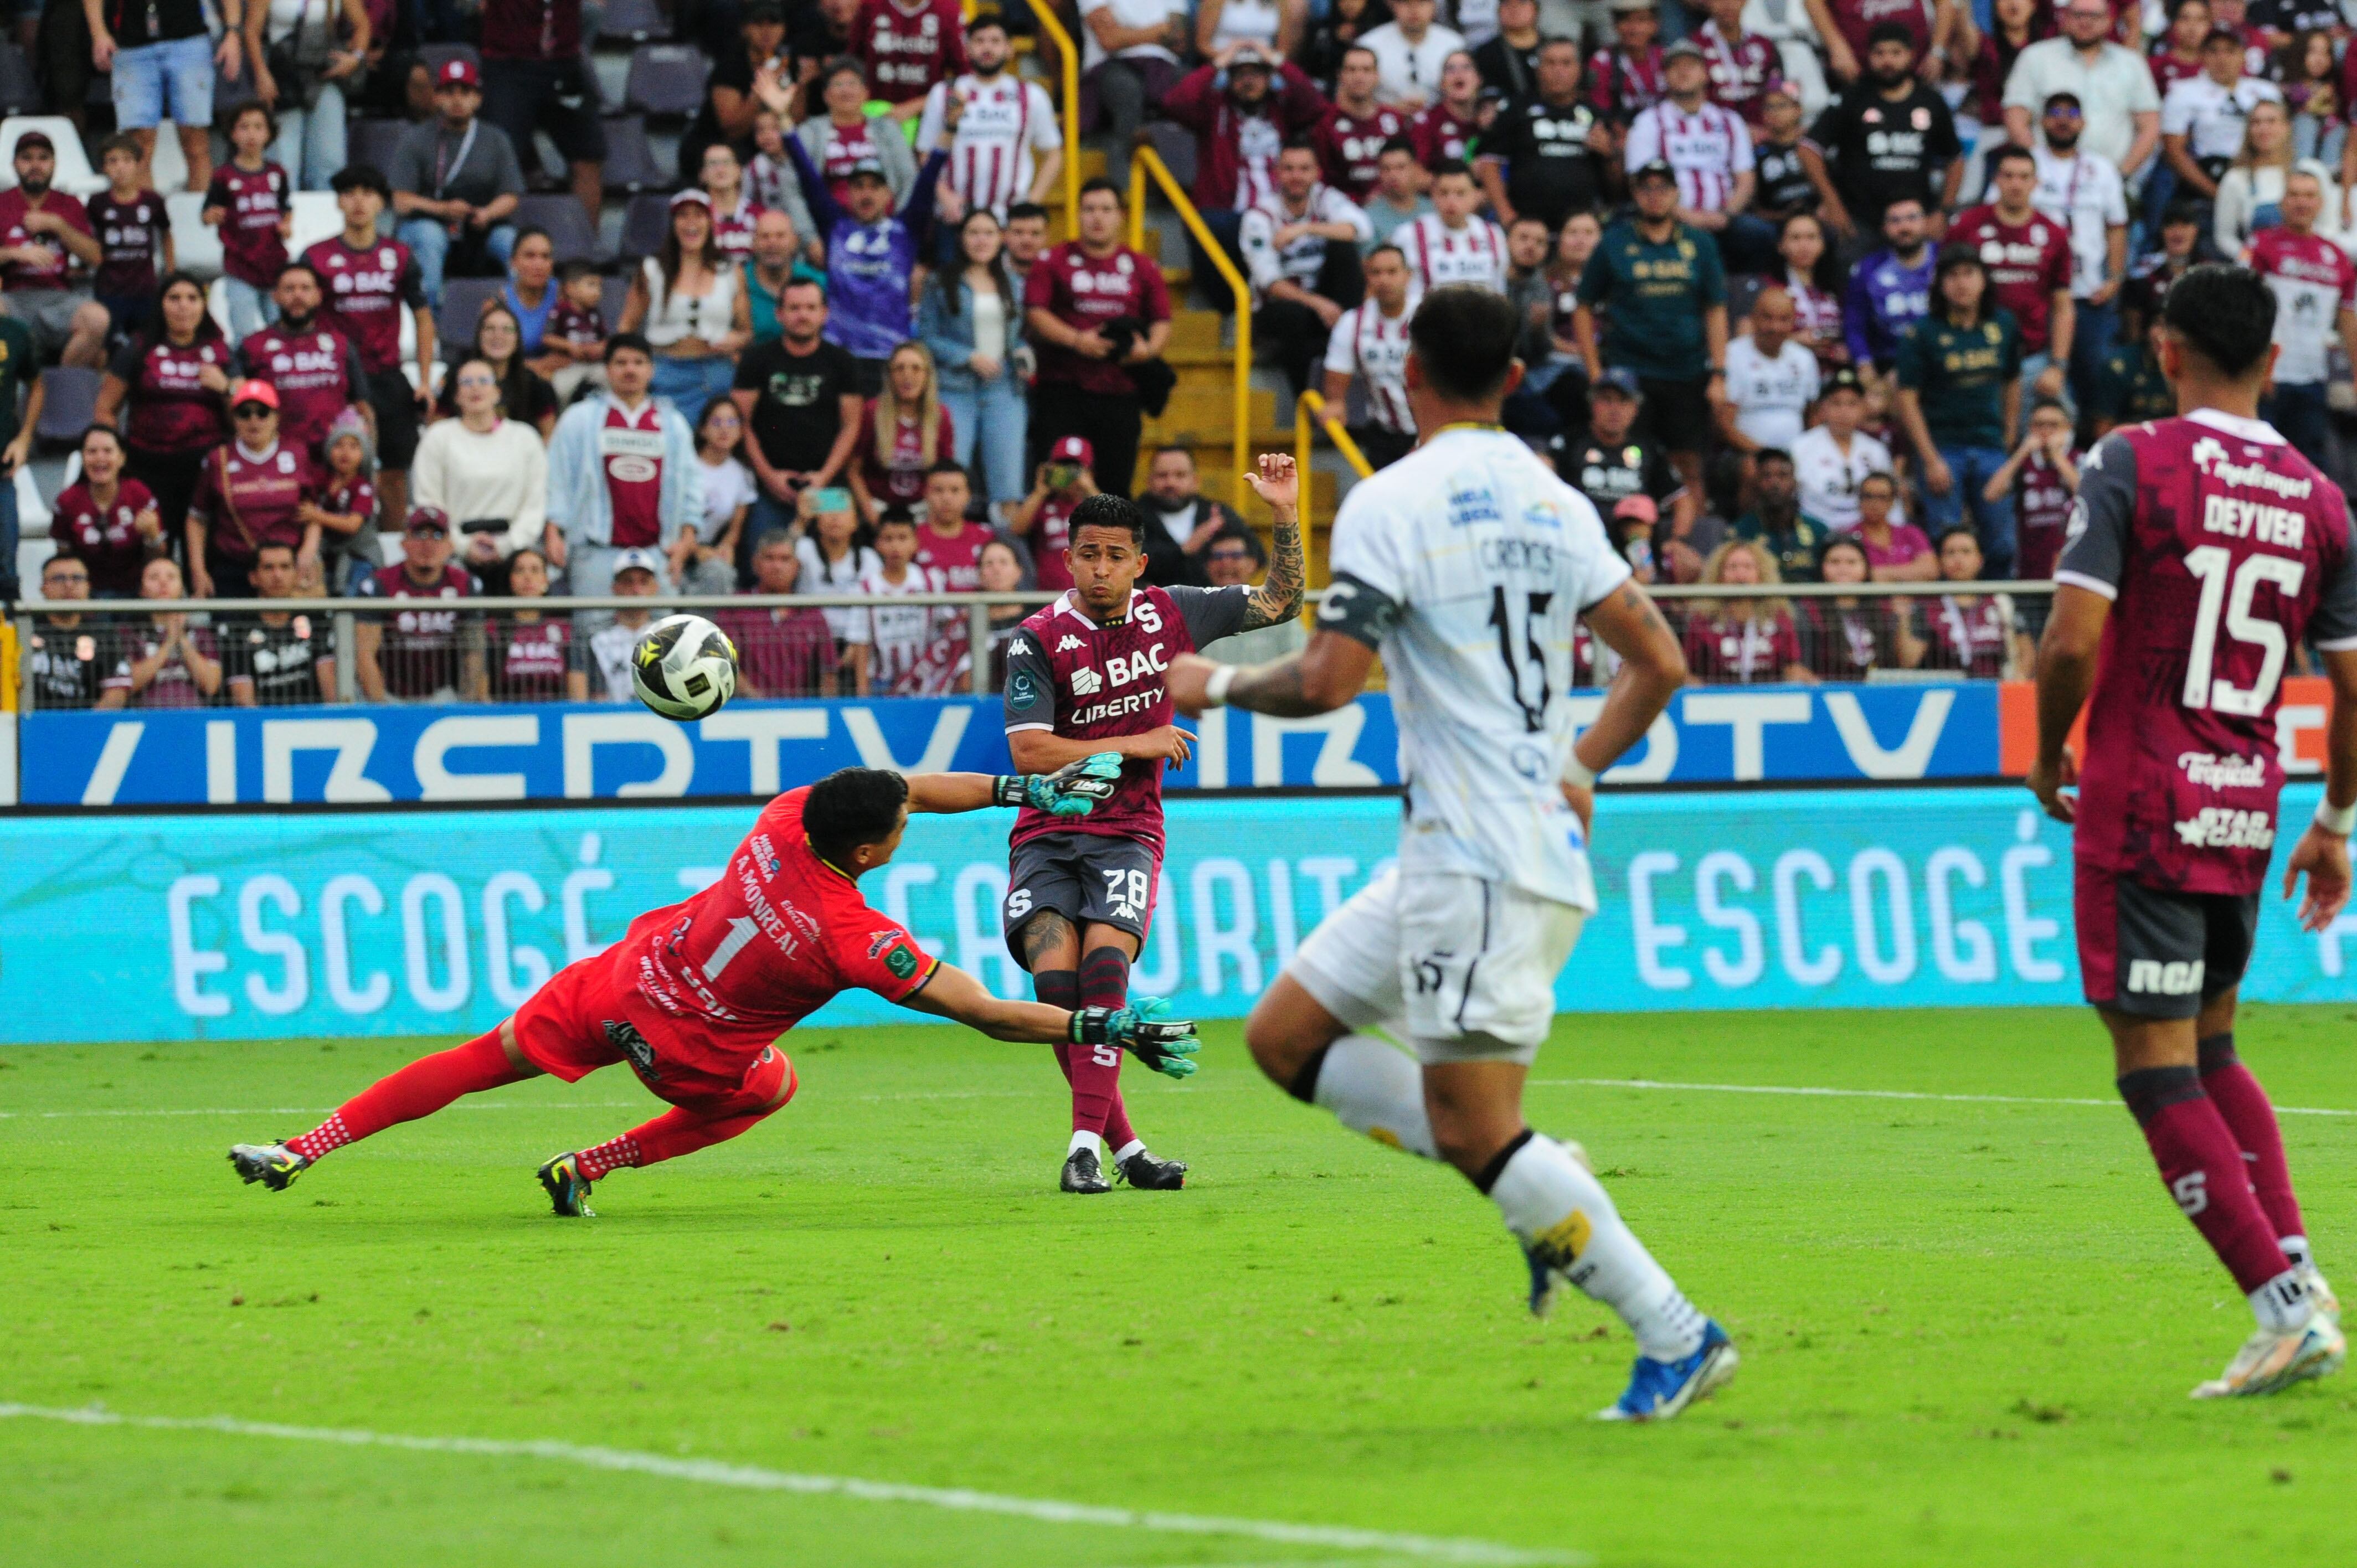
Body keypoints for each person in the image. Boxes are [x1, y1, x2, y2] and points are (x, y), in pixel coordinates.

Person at [1161, 286, 1731, 1422]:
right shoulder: (1557, 500)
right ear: (1515, 380)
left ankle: (1676, 1332)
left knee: (1475, 1123)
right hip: (1468, 847)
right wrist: (1576, 769)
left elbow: (1327, 680)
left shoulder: (1391, 500)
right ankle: (1538, 1176)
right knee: (1284, 1037)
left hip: (1482, 860)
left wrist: (1212, 681)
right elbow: (1660, 660)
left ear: (1403, 374)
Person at [231, 762, 1195, 1214]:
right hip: (691, 1056)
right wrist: (1101, 1020)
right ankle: (591, 1165)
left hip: (625, 980)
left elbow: (901, 786)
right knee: (773, 1085)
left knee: (482, 1060)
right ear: (867, 851)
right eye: (896, 831)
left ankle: (303, 1146)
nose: (908, 827)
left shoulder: (784, 817)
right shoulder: (859, 937)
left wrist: (1021, 791)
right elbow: (986, 1012)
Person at [2026, 261, 2354, 1397]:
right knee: (2213, 1046)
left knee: (2152, 1065)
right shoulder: (2321, 498)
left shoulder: (2131, 461)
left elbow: (2070, 642)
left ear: (2165, 352)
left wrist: (2041, 748)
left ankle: (2279, 1308)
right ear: (2274, 360)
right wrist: (2333, 823)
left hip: (2143, 803)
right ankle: (2299, 1280)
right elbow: (2352, 687)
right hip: (2243, 806)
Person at [1001, 463, 1302, 1192]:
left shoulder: (1174, 611)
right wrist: (1132, 744)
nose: (1100, 569)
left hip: (1127, 832)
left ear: (1139, 562)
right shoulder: (1036, 639)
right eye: (1087, 554)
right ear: (1068, 557)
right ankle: (1130, 1153)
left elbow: (1282, 600)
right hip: (1046, 834)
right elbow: (1030, 751)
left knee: (1105, 972)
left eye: (1115, 556)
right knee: (1057, 994)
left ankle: (1084, 1149)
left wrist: (1286, 512)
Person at [1574, 161, 1728, 515]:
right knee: (1630, 460)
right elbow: (1583, 307)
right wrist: (1596, 370)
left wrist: (1719, 373)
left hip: (1686, 370)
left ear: (1676, 194)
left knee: (1689, 462)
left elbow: (1716, 308)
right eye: (1647, 188)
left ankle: (1693, 549)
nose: (1655, 196)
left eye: (1663, 188)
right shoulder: (1614, 243)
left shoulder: (1700, 244)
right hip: (1630, 373)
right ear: (1635, 194)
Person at [306, 164, 435, 533]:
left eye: (368, 193)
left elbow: (424, 317)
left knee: (394, 475)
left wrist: (424, 380)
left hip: (388, 377)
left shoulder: (399, 255)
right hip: (336, 381)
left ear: (382, 203)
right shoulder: (316, 257)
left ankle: (393, 549)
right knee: (332, 471)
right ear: (339, 202)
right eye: (350, 193)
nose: (359, 201)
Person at [1025, 178, 1173, 498]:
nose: (1098, 217)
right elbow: (1036, 313)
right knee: (1058, 483)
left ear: (1120, 215)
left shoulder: (1142, 266)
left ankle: (1111, 548)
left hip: (1120, 393)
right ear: (1077, 214)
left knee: (1114, 487)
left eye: (1106, 209)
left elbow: (1162, 320)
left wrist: (1146, 352)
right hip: (1063, 390)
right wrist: (1079, 341)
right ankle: (1058, 546)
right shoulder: (1053, 261)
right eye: (1089, 209)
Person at [783, 132, 951, 393]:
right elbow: (808, 178)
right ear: (848, 194)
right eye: (859, 186)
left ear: (888, 194)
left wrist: (949, 130)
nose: (866, 194)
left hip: (890, 358)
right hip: (838, 357)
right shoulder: (835, 227)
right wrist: (785, 124)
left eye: (875, 187)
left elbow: (928, 181)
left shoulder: (905, 231)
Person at [1896, 247, 2022, 576]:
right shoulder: (1922, 333)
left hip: (1991, 447)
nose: (1961, 283)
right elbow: (1906, 398)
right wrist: (1929, 457)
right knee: (1947, 545)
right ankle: (1948, 621)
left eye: (1969, 274)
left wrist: (2008, 439)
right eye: (1952, 275)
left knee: (2003, 544)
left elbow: (2012, 382)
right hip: (1942, 449)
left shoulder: (2004, 324)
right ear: (1939, 284)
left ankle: (1997, 614)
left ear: (1984, 280)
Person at [549, 335, 698, 609]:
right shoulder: (579, 419)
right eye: (621, 363)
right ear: (607, 369)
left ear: (651, 369)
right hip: (596, 550)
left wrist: (686, 541)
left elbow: (692, 486)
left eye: (639, 362)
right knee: (593, 636)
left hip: (658, 551)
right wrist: (553, 530)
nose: (630, 370)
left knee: (664, 642)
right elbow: (557, 478)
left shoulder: (673, 424)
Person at [95, 271, 233, 560]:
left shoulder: (222, 352)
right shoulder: (138, 348)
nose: (184, 305)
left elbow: (249, 419)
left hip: (205, 473)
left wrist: (226, 388)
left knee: (207, 560)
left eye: (192, 298)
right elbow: (105, 410)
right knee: (153, 554)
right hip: (147, 470)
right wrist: (116, 457)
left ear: (203, 306)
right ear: (160, 304)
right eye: (174, 298)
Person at [1164, 40, 1332, 264]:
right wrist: (1219, 62)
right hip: (1232, 217)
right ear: (1229, 79)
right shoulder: (1214, 111)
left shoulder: (1282, 108)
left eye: (1257, 74)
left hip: (1281, 216)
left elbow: (1316, 105)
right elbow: (1174, 103)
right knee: (1207, 223)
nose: (1248, 81)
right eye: (1240, 75)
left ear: (1269, 78)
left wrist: (1277, 60)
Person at [734, 278, 866, 549]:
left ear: (824, 313)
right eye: (794, 308)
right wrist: (770, 478)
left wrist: (823, 478)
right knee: (765, 562)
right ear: (779, 314)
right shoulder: (756, 360)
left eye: (810, 308)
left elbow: (851, 426)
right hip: (769, 488)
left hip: (828, 486)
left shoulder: (843, 362)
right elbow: (741, 422)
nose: (802, 315)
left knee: (836, 567)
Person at [1800, 22, 1960, 244]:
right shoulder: (1852, 99)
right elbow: (1809, 149)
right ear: (1869, 56)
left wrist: (1943, 210)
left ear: (1912, 55)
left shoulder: (1930, 101)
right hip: (1859, 221)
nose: (1888, 61)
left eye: (1896, 53)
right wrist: (1832, 204)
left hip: (1915, 222)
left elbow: (1955, 158)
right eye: (1879, 53)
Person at [1242, 142, 1373, 402]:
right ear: (1277, 174)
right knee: (1293, 315)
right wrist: (1319, 304)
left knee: (1344, 251)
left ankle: (1351, 348)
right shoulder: (1260, 216)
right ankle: (1307, 401)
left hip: (1325, 300)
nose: (1297, 176)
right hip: (1280, 308)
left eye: (1304, 169)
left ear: (1317, 173)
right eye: (1289, 169)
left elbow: (1361, 229)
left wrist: (1305, 229)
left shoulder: (1325, 198)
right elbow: (1270, 282)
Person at [390, 59, 526, 311]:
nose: (457, 100)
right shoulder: (416, 138)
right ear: (437, 97)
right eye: (449, 92)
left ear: (478, 99)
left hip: (482, 226)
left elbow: (511, 196)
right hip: (429, 224)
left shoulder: (496, 139)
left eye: (465, 92)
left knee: (514, 242)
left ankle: (524, 318)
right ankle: (427, 321)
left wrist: (488, 213)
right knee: (429, 238)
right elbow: (400, 200)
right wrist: (442, 210)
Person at [2243, 169, 2357, 467]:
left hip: (2313, 379)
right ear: (2282, 202)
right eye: (2294, 195)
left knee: (2307, 468)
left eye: (2309, 196)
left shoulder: (2338, 258)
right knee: (2258, 465)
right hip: (2267, 378)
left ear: (2321, 203)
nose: (2301, 203)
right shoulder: (2260, 246)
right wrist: (2257, 365)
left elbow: (2348, 319)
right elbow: (2241, 310)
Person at [412, 354, 551, 594]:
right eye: (466, 382)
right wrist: (462, 545)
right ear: (456, 395)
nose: (475, 387)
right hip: (453, 551)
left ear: (498, 392)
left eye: (483, 380)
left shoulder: (526, 438)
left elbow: (535, 504)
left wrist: (507, 545)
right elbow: (428, 501)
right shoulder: (438, 437)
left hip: (514, 552)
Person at [919, 208, 1030, 509]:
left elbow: (1015, 337)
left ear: (1001, 239)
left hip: (1004, 389)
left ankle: (1004, 550)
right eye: (974, 232)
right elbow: (926, 336)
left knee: (1008, 482)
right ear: (961, 239)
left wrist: (1023, 353)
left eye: (989, 233)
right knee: (950, 478)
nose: (982, 240)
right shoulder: (940, 281)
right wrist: (968, 357)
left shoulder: (1014, 282)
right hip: (955, 389)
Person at [1626, 39, 1770, 270]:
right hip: (1670, 218)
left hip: (1725, 219)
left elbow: (1745, 178)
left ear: (1705, 74)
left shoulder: (1730, 121)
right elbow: (1639, 180)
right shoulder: (1649, 122)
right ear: (1665, 76)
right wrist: (1687, 216)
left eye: (1691, 65)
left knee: (1761, 235)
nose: (1683, 71)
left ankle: (1749, 294)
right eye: (1674, 66)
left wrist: (1727, 214)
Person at [1948, 146, 2075, 407]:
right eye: (2008, 176)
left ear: (2036, 182)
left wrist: (2058, 367)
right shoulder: (1966, 226)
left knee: (2061, 421)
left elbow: (2063, 306)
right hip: (1972, 354)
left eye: (2024, 177)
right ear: (1996, 179)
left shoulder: (2055, 234)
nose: (2016, 184)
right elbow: (1942, 289)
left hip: (2032, 357)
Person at [2030, 91, 2133, 411]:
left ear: (2083, 122)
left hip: (2088, 292)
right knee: (2038, 377)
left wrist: (2115, 277)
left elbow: (2117, 225)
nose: (2063, 120)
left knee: (2093, 375)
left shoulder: (2101, 169)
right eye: (2056, 113)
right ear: (2043, 121)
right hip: (2038, 293)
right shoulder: (2026, 163)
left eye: (2071, 113)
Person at [619, 191, 750, 433]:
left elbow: (745, 331)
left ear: (711, 222)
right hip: (665, 371)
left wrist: (735, 339)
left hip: (715, 373)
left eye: (699, 216)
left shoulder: (730, 272)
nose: (691, 223)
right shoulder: (653, 270)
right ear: (673, 224)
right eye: (683, 216)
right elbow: (626, 326)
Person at [184, 379, 326, 601]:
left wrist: (308, 552)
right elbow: (197, 518)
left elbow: (313, 513)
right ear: (234, 418)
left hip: (288, 567)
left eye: (262, 413)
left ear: (276, 417)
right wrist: (198, 569)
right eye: (244, 413)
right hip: (236, 566)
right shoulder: (218, 459)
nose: (254, 420)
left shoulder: (297, 454)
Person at [917, 14, 1064, 223]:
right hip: (953, 217)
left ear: (1010, 49)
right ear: (966, 49)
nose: (987, 48)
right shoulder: (944, 93)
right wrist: (945, 197)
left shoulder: (1031, 95)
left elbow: (1053, 154)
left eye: (995, 41)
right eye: (979, 41)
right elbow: (925, 153)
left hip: (1010, 221)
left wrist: (1030, 203)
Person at [478, 0, 606, 229]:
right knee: (500, 161)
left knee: (589, 156)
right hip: (508, 63)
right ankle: (501, 249)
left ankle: (586, 252)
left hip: (564, 62)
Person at [87, 0, 235, 193]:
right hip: (132, 44)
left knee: (196, 140)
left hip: (189, 39)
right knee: (138, 145)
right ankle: (146, 217)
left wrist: (233, 32)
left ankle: (202, 218)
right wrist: (98, 32)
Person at [2001, 0, 2162, 174]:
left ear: (2109, 21)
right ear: (2065, 18)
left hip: (2111, 181)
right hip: (2044, 182)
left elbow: (2150, 126)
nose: (2086, 22)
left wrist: (2121, 174)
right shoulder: (2035, 58)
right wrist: (2040, 170)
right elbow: (2016, 118)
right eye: (2078, 15)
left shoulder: (2131, 63)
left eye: (2094, 16)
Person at [238, 261, 370, 460]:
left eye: (305, 288)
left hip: (332, 460)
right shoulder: (253, 346)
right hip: (276, 462)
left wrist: (368, 462)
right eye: (289, 289)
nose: (298, 295)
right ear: (275, 296)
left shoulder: (341, 345)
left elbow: (363, 407)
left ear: (318, 296)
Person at [0, 132, 109, 368]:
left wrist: (58, 225)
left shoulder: (69, 204)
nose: (35, 165)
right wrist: (14, 253)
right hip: (12, 297)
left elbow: (97, 257)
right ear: (14, 164)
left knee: (97, 318)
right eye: (27, 158)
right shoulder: (3, 203)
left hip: (59, 298)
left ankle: (56, 389)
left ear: (54, 164)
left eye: (43, 158)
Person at [354, 507, 485, 701]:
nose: (428, 544)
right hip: (389, 694)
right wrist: (382, 709)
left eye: (438, 536)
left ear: (450, 545)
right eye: (419, 535)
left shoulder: (466, 584)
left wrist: (468, 705)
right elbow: (365, 655)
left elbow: (474, 652)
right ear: (404, 543)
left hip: (445, 694)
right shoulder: (378, 584)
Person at [1476, 38, 1604, 233]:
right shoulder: (1516, 110)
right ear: (1538, 68)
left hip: (1580, 228)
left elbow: (1615, 181)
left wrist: (1611, 153)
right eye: (1550, 63)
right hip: (1528, 225)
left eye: (1566, 63)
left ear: (1579, 69)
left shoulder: (1595, 115)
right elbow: (1489, 164)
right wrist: (1507, 216)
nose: (1558, 71)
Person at [244, 0, 369, 191]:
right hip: (285, 77)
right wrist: (262, 74)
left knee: (330, 158)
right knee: (284, 157)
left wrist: (356, 58)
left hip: (323, 75)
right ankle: (282, 213)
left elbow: (362, 23)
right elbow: (252, 31)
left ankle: (327, 214)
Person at [2162, 24, 2281, 213]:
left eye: (2230, 51)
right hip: (2210, 175)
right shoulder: (2183, 92)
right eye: (2214, 51)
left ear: (2243, 55)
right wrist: (2218, 193)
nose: (2222, 59)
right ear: (2203, 56)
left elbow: (2283, 141)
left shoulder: (2267, 91)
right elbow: (2174, 151)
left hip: (2260, 173)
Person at [1324, 243, 1421, 469]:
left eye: (1392, 272)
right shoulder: (1352, 322)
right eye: (1376, 273)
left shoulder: (1429, 316)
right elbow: (1336, 382)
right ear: (1367, 277)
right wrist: (1336, 402)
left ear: (1408, 276)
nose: (1384, 280)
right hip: (1384, 434)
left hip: (1432, 432)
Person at [202, 102, 293, 341]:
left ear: (269, 133)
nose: (251, 134)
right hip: (240, 265)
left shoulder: (278, 173)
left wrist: (286, 225)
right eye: (244, 127)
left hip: (275, 265)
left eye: (258, 127)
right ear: (232, 133)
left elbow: (285, 207)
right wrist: (211, 216)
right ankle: (244, 373)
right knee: (244, 331)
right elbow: (208, 212)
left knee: (282, 327)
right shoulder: (223, 175)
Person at [1075, 0, 1188, 192]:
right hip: (1108, 65)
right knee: (1126, 91)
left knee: (1195, 90)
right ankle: (1124, 191)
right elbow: (1110, 40)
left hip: (1164, 65)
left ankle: (1184, 185)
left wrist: (1128, 33)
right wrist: (1159, 31)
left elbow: (1179, 40)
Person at [683, 1, 797, 189]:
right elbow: (731, 128)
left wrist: (802, 84)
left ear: (784, 29)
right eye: (759, 24)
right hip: (715, 144)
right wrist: (760, 92)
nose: (767, 31)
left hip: (761, 142)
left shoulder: (786, 63)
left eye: (774, 23)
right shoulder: (730, 67)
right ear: (745, 29)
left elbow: (796, 118)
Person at [791, 59, 919, 218]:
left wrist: (898, 225)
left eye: (852, 84)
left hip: (884, 225)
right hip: (827, 227)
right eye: (838, 85)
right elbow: (793, 187)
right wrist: (811, 238)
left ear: (866, 93)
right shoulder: (809, 132)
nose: (846, 91)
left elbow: (908, 179)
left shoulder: (887, 129)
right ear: (826, 96)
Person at [2212, 97, 2338, 257]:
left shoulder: (2312, 170)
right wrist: (2252, 260)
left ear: (2287, 127)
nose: (2264, 129)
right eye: (2256, 123)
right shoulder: (2236, 178)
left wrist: (2309, 257)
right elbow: (2224, 237)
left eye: (2271, 121)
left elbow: (2329, 226)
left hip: (2310, 265)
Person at [49, 423, 163, 599]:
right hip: (87, 596)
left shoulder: (140, 495)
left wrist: (152, 536)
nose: (99, 458)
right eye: (92, 452)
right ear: (83, 457)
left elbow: (159, 559)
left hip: (136, 593)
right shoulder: (67, 502)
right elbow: (63, 559)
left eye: (108, 451)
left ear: (122, 458)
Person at [721, 529, 838, 697]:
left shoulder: (812, 613)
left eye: (785, 559)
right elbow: (725, 662)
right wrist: (759, 703)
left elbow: (828, 671)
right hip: (745, 711)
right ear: (755, 564)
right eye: (769, 558)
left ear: (797, 566)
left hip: (802, 713)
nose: (777, 566)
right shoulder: (735, 607)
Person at [1681, 537, 1812, 683]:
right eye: (1732, 567)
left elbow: (1792, 665)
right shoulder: (1702, 619)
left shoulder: (1779, 616)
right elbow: (1688, 671)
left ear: (1761, 575)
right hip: (1718, 698)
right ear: (1719, 576)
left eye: (1748, 567)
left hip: (1769, 697)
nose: (1740, 575)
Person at [224, 540, 337, 705]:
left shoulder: (316, 618)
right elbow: (244, 702)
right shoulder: (238, 628)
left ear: (296, 574)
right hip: (265, 723)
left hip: (313, 721)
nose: (278, 575)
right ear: (253, 578)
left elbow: (331, 689)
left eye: (285, 567)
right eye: (269, 568)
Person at [850, 342, 954, 522]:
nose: (907, 375)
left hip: (923, 511)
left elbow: (945, 476)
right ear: (889, 376)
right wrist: (873, 517)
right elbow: (854, 471)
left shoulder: (940, 415)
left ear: (927, 375)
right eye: (899, 369)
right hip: (877, 507)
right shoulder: (872, 411)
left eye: (916, 369)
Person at [1841, 195, 1934, 384]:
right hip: (1888, 360)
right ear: (1884, 228)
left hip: (1941, 357)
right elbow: (1854, 323)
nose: (1904, 227)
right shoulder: (1869, 269)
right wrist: (1864, 364)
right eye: (1895, 221)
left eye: (1912, 218)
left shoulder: (1947, 261)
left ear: (1926, 222)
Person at [1136, 443, 1259, 587]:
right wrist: (1184, 550)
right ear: (1149, 481)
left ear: (1196, 481)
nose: (1171, 482)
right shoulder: (1132, 518)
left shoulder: (1218, 514)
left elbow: (1257, 556)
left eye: (1180, 475)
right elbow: (1128, 562)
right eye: (1162, 476)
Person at [1982, 396, 2078, 579]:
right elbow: (1990, 494)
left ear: (2067, 428)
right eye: (2039, 425)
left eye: (2053, 425)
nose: (2045, 431)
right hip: (2029, 567)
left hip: (2068, 568)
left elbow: (2084, 494)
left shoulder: (2078, 458)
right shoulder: (2024, 464)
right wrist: (2021, 452)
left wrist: (2057, 455)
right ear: (2030, 429)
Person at [431, 302, 560, 438]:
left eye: (507, 329)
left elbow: (549, 437)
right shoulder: (457, 378)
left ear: (518, 339)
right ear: (479, 336)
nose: (498, 336)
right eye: (490, 329)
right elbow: (436, 429)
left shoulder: (535, 384)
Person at [1717, 287, 1820, 456]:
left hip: (1797, 456)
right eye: (1767, 318)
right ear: (1753, 318)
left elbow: (1813, 418)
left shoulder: (1805, 359)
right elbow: (1723, 426)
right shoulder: (1732, 355)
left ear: (1793, 321)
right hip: (1746, 454)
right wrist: (1767, 457)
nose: (1775, 327)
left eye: (1783, 319)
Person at [1915, 526, 2029, 677]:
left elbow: (2026, 650)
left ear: (1980, 560)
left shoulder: (2000, 602)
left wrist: (2016, 683)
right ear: (1940, 561)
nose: (1958, 559)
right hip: (1947, 692)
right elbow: (1910, 660)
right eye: (1951, 553)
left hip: (1995, 690)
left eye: (1966, 552)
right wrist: (1904, 615)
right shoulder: (1929, 606)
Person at [87, 135, 169, 345]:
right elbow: (88, 238)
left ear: (139, 165)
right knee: (110, 345)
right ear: (104, 167)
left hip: (145, 288)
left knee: (147, 344)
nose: (120, 167)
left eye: (127, 160)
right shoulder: (97, 203)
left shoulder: (153, 201)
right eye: (112, 161)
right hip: (110, 288)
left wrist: (170, 272)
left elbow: (167, 233)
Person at [1788, 364, 1891, 529]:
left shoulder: (1876, 450)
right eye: (1836, 403)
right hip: (1816, 529)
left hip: (1866, 532)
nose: (1844, 411)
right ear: (1823, 409)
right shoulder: (1800, 447)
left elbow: (1891, 500)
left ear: (1864, 409)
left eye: (1852, 404)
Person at [796, 488, 883, 683]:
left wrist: (857, 644)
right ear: (818, 520)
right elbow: (782, 558)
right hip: (812, 642)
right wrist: (801, 521)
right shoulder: (805, 549)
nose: (835, 516)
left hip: (857, 642)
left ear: (855, 521)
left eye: (843, 511)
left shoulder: (869, 559)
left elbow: (875, 609)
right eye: (828, 510)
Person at [114, 554, 221, 706]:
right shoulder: (129, 633)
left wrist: (182, 639)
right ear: (142, 590)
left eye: (171, 577)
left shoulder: (200, 633)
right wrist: (170, 642)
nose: (163, 582)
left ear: (181, 587)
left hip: (194, 717)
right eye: (154, 577)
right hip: (147, 717)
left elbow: (211, 685)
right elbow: (130, 683)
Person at [23, 553, 125, 708]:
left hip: (86, 726)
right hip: (30, 726)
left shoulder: (104, 634)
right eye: (59, 578)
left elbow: (116, 691)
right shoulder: (24, 630)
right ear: (43, 587)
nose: (69, 585)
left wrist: (83, 727)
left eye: (77, 578)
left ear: (88, 587)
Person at [1800, 532, 1902, 678]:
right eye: (1835, 562)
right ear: (1822, 566)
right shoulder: (1809, 609)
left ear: (1866, 568)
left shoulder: (1882, 606)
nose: (1843, 569)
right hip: (1829, 689)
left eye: (1852, 562)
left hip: (1878, 689)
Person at [1316, 46, 1411, 204]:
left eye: (1366, 70)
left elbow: (1410, 168)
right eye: (1352, 70)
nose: (1359, 77)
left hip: (1392, 206)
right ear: (1341, 76)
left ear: (1377, 76)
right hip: (1344, 211)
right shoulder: (1326, 123)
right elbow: (1322, 181)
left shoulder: (1394, 119)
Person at [1200, 529, 1306, 666]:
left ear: (1253, 563)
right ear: (1207, 565)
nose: (1226, 563)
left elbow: (1300, 665)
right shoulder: (1194, 613)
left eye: (1236, 556)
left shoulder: (1278, 612)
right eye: (1218, 556)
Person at [1399, 161, 1510, 292]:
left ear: (1475, 195)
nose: (1451, 202)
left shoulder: (1493, 234)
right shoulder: (1409, 235)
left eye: (1460, 193)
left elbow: (1499, 289)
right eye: (1444, 193)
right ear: (1433, 194)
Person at [572, 548, 666, 701]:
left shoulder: (670, 637)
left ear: (655, 588)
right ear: (615, 588)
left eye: (643, 582)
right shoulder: (596, 640)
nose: (636, 590)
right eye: (628, 582)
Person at [1007, 433, 1096, 594]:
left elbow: (1117, 525)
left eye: (1075, 469)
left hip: (1087, 594)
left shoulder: (1094, 507)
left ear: (1089, 473)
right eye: (1062, 467)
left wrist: (1089, 488)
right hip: (1048, 597)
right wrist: (1040, 491)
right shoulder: (1042, 505)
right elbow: (1016, 530)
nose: (1068, 475)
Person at [851, 0, 967, 120]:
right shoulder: (871, 6)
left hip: (928, 117)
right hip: (874, 114)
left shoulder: (948, 10)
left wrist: (916, 106)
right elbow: (851, 65)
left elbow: (965, 77)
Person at [484, 544, 571, 701]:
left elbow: (576, 691)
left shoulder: (563, 628)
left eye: (535, 570)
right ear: (510, 580)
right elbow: (483, 691)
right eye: (519, 570)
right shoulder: (494, 628)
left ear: (546, 579)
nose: (527, 577)